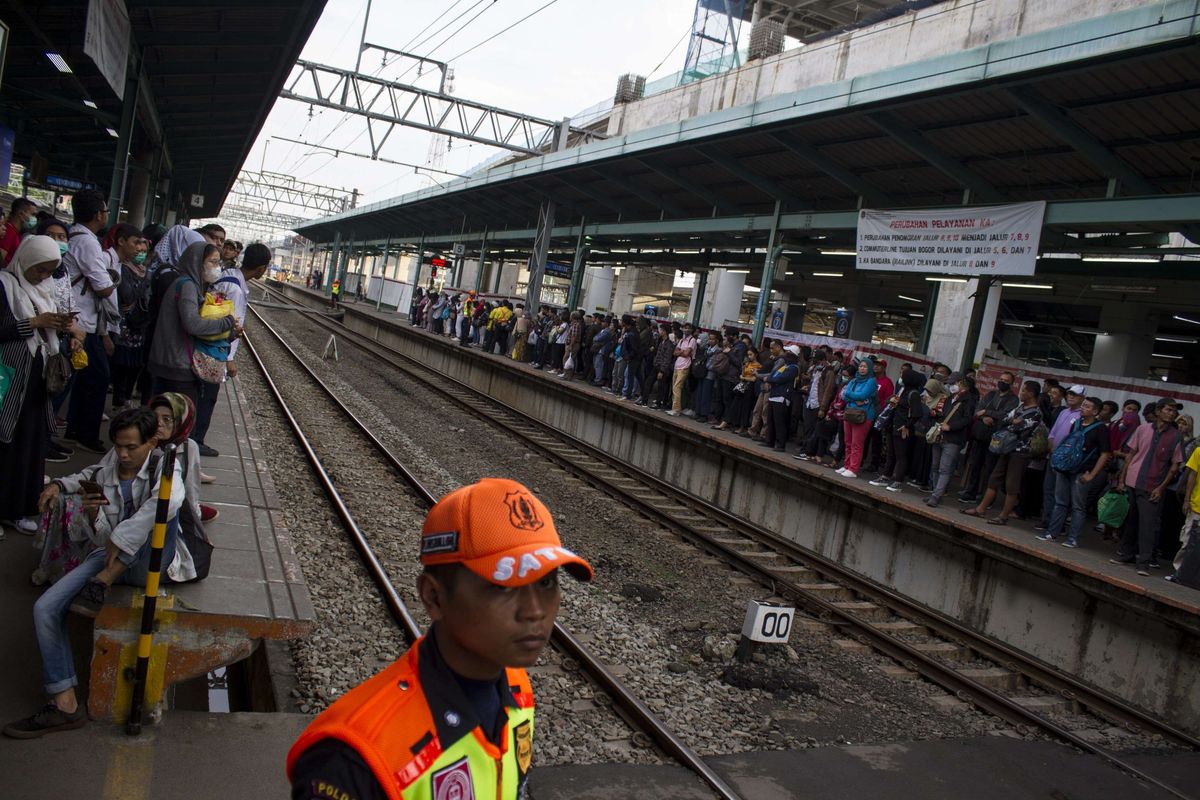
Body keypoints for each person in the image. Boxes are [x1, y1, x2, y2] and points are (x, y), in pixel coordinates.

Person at [287, 478, 593, 799]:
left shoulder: (517, 689)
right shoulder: (356, 761)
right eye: (503, 585)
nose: (534, 611)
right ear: (434, 597)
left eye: (546, 583)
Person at [3, 408, 184, 739]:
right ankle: (65, 704)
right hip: (108, 558)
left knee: (161, 513)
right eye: (118, 446)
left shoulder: (166, 466)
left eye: (132, 447)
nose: (124, 454)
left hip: (152, 565)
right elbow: (101, 535)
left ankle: (103, 581)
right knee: (44, 608)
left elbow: (168, 506)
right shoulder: (107, 472)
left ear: (151, 443)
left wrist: (120, 536)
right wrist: (90, 513)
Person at [0, 237, 72, 536]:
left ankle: (18, 508)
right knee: (4, 445)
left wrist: (61, 327)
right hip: (9, 379)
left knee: (29, 446)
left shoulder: (43, 289)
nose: (43, 276)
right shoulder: (4, 285)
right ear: (26, 260)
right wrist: (35, 322)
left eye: (48, 271)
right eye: (39, 269)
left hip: (34, 382)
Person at [190, 243, 271, 457]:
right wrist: (230, 359)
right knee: (207, 396)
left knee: (202, 394)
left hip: (207, 346)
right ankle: (196, 440)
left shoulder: (230, 275)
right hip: (214, 349)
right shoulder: (235, 288)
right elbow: (231, 324)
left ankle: (194, 439)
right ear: (262, 268)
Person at [146, 241, 237, 405]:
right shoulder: (187, 286)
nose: (218, 267)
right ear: (197, 262)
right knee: (180, 422)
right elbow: (193, 325)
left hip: (172, 363)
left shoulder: (190, 285)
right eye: (213, 262)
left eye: (219, 263)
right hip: (177, 367)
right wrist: (227, 322)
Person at [62, 189, 115, 454]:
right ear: (98, 214)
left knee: (78, 378)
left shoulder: (74, 236)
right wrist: (111, 280)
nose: (106, 215)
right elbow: (104, 288)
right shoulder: (87, 242)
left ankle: (73, 430)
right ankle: (86, 435)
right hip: (81, 323)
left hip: (78, 319)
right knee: (96, 377)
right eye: (105, 211)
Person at [1114, 399, 1183, 575]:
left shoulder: (1175, 436)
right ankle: (1125, 554)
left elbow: (1175, 466)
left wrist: (1161, 487)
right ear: (1158, 411)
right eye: (1168, 409)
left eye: (1174, 411)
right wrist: (1122, 479)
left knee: (1148, 525)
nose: (1172, 413)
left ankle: (1143, 562)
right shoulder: (1142, 429)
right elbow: (1131, 454)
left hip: (1153, 486)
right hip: (1133, 480)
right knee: (1131, 520)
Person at [962, 380, 1044, 524]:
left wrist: (1013, 423)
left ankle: (1003, 516)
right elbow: (1005, 419)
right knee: (994, 479)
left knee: (1012, 485)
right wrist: (1013, 422)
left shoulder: (1036, 413)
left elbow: (1022, 427)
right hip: (1006, 448)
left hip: (1020, 452)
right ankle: (981, 509)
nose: (1021, 393)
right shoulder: (1020, 407)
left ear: (1031, 393)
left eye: (1024, 390)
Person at [1038, 397, 1112, 547]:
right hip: (1066, 467)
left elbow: (1105, 453)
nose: (1083, 408)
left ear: (1095, 411)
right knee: (1060, 502)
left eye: (1087, 406)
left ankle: (1072, 538)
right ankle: (1052, 532)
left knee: (1078, 506)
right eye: (1083, 405)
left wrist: (1092, 474)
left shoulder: (1100, 429)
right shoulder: (1076, 424)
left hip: (1083, 471)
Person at [107, 224, 152, 410]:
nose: (140, 249)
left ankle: (124, 397)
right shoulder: (122, 268)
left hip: (138, 325)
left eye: (144, 245)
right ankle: (118, 397)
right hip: (124, 324)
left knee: (134, 364)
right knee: (120, 364)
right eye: (137, 243)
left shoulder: (144, 271)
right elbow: (127, 296)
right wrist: (143, 282)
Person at [960, 372, 1019, 504]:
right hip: (981, 434)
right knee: (975, 464)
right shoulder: (991, 394)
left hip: (997, 437)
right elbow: (978, 410)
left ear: (1011, 383)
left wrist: (987, 412)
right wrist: (983, 417)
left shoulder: (1013, 399)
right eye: (1001, 379)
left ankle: (985, 496)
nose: (1002, 382)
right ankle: (971, 491)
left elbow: (1006, 415)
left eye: (1006, 380)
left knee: (990, 467)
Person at [1037, 385, 1085, 532]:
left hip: (1065, 460)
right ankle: (1046, 520)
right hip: (1053, 455)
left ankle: (1057, 524)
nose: (1071, 397)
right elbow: (1053, 432)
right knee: (1048, 489)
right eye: (1069, 394)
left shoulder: (1080, 416)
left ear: (1082, 398)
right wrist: (1051, 447)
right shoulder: (1064, 412)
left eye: (1075, 395)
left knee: (1061, 494)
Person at [926, 376, 977, 507]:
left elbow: (967, 419)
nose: (952, 386)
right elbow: (945, 413)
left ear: (963, 385)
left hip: (953, 438)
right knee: (935, 465)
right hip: (940, 435)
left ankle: (936, 495)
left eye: (955, 383)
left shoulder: (969, 401)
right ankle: (935, 492)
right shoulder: (950, 398)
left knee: (945, 468)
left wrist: (951, 427)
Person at [838, 359, 878, 479]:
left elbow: (863, 395)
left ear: (869, 368)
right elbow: (844, 395)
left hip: (863, 415)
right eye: (861, 366)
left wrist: (852, 395)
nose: (862, 368)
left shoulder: (871, 381)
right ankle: (846, 465)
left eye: (865, 367)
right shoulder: (854, 380)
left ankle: (853, 468)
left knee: (857, 443)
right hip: (850, 412)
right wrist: (855, 399)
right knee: (848, 442)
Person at [763, 345, 801, 452]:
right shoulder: (785, 366)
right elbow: (774, 375)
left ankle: (780, 444)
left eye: (787, 351)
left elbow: (779, 378)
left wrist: (770, 379)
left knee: (779, 422)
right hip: (774, 395)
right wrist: (771, 378)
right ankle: (770, 441)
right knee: (771, 420)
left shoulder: (794, 368)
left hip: (782, 396)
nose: (785, 353)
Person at [1, 198, 38, 264]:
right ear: (21, 214)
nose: (35, 218)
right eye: (33, 214)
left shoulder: (15, 232)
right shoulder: (8, 232)